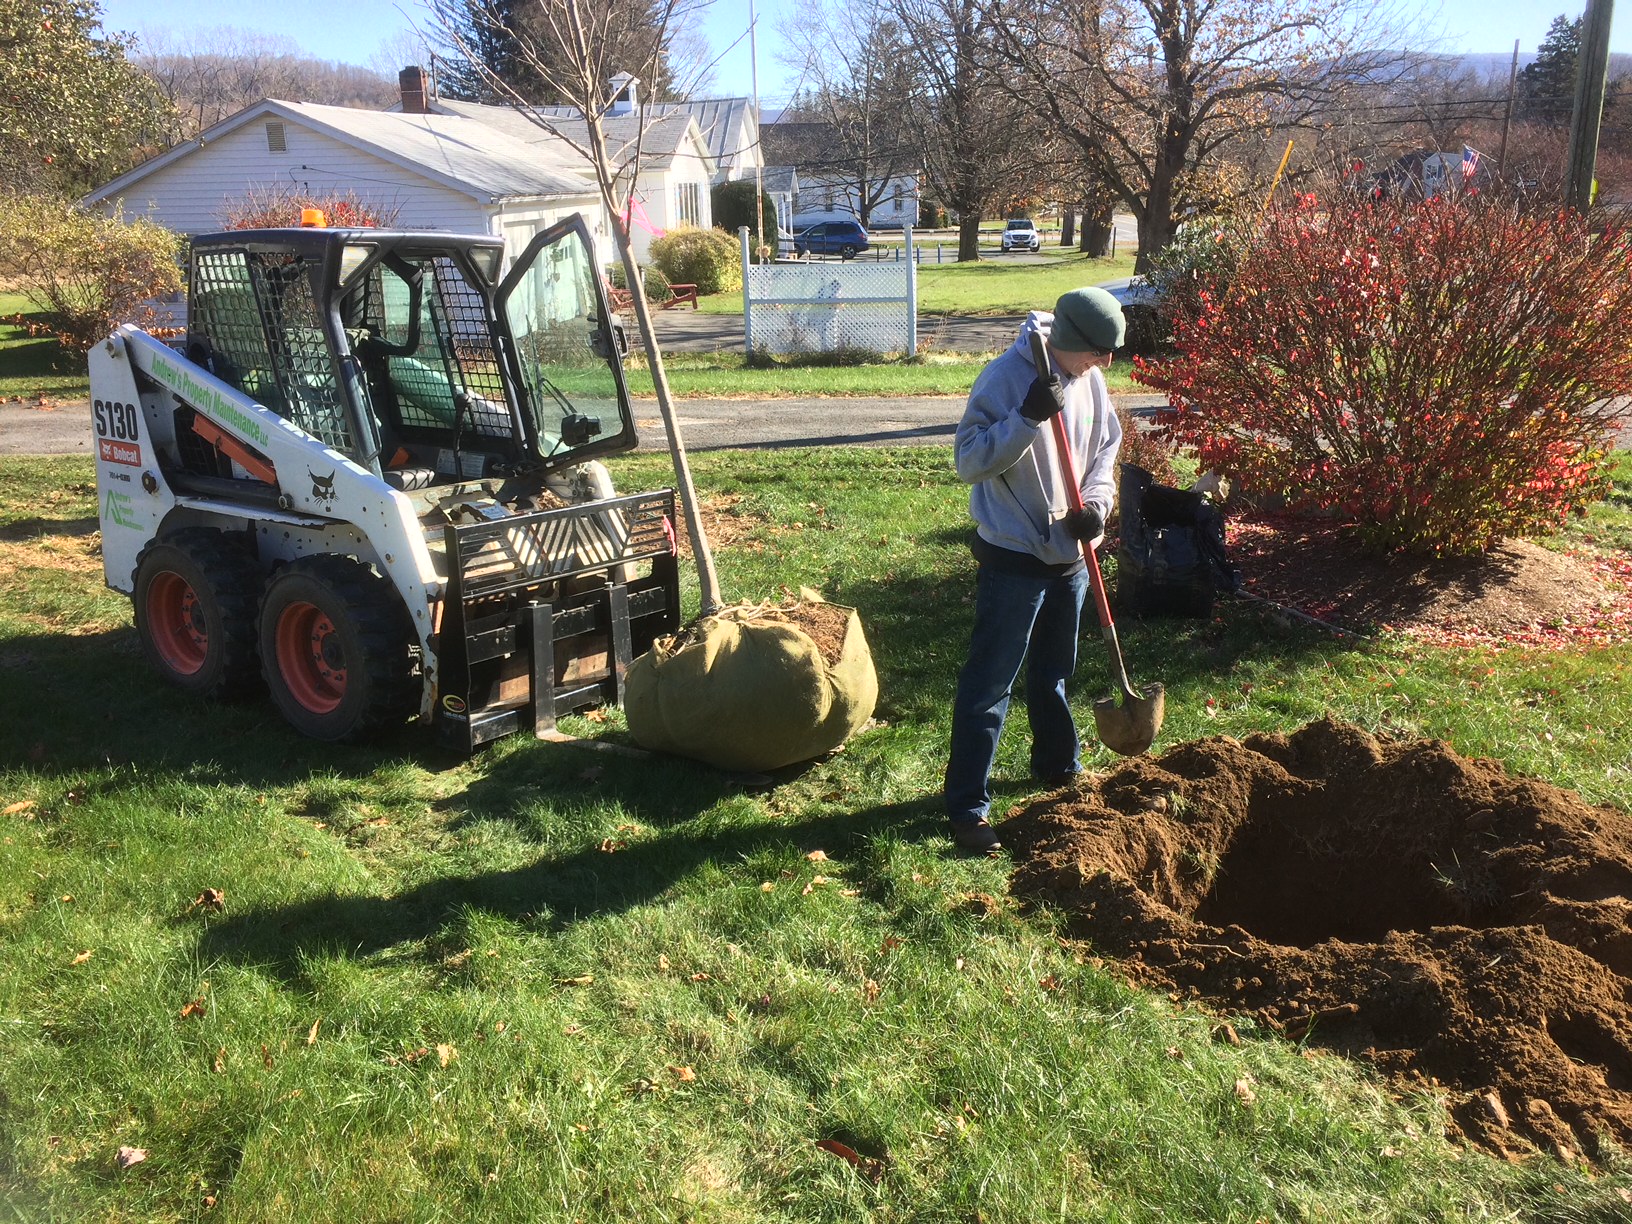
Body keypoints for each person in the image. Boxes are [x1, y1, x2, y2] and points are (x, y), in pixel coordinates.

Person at [943, 286, 1126, 855]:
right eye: (1099, 351)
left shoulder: (1089, 380)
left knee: (1053, 674)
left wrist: (1097, 506)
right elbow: (969, 460)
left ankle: (1059, 768)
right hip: (1014, 557)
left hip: (1071, 557)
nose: (1106, 362)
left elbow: (1106, 449)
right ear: (1070, 339)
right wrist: (1026, 418)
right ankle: (968, 808)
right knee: (989, 684)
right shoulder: (1004, 379)